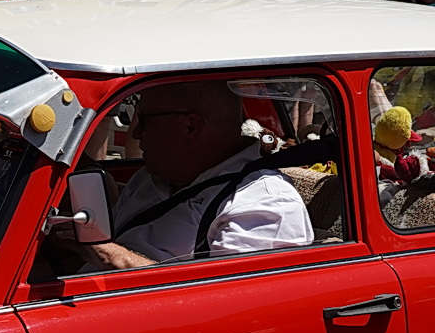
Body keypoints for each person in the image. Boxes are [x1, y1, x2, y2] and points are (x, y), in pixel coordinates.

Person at [64, 81, 311, 271]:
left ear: (191, 126)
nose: (136, 133)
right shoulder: (152, 176)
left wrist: (111, 256)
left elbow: (228, 311)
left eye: (145, 120)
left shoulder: (265, 205)